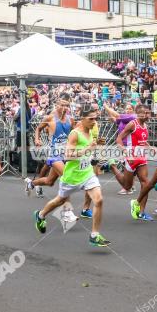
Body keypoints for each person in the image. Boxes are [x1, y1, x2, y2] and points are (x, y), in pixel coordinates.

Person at [34, 103, 110, 248]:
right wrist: (88, 148)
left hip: (87, 173)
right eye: (91, 119)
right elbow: (68, 156)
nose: (94, 122)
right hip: (72, 176)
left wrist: (96, 145)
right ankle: (41, 215)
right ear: (82, 119)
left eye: (95, 119)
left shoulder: (91, 130)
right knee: (59, 200)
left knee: (99, 200)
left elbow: (90, 150)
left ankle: (94, 235)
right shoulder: (74, 133)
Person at [26, 93, 73, 197]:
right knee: (67, 177)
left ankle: (32, 183)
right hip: (54, 153)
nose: (64, 108)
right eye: (62, 105)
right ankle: (65, 206)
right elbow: (38, 128)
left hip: (65, 153)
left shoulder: (71, 119)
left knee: (49, 182)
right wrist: (37, 139)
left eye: (67, 106)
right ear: (57, 105)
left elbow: (74, 134)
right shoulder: (50, 118)